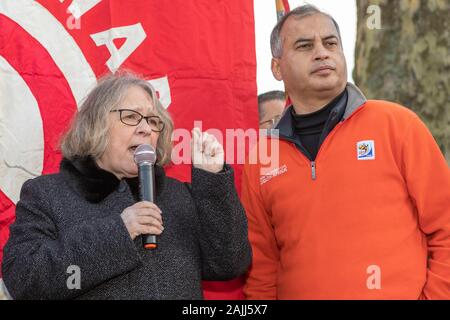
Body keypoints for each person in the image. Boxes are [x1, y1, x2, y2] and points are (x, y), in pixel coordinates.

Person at [241, 5, 450, 299]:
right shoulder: (262, 159)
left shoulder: (397, 125)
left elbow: (446, 226)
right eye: (304, 45)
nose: (321, 52)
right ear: (277, 68)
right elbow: (262, 270)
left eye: (330, 43)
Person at [2, 71, 251, 299]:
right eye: (131, 117)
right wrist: (118, 232)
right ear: (95, 124)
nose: (145, 129)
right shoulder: (48, 195)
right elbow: (26, 282)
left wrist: (212, 184)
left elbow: (230, 263)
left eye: (153, 121)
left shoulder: (179, 195)